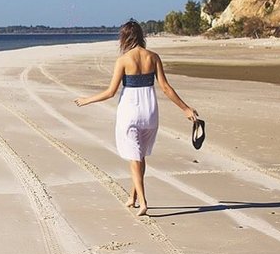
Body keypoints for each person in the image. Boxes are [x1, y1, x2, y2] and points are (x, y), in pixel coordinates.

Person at [73, 20, 198, 214]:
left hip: (129, 112)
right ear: (141, 36)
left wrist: (86, 99)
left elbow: (110, 92)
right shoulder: (153, 57)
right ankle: (132, 197)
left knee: (134, 158)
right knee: (138, 156)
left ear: (124, 37)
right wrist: (186, 109)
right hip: (149, 112)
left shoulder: (123, 60)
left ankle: (143, 201)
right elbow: (166, 88)